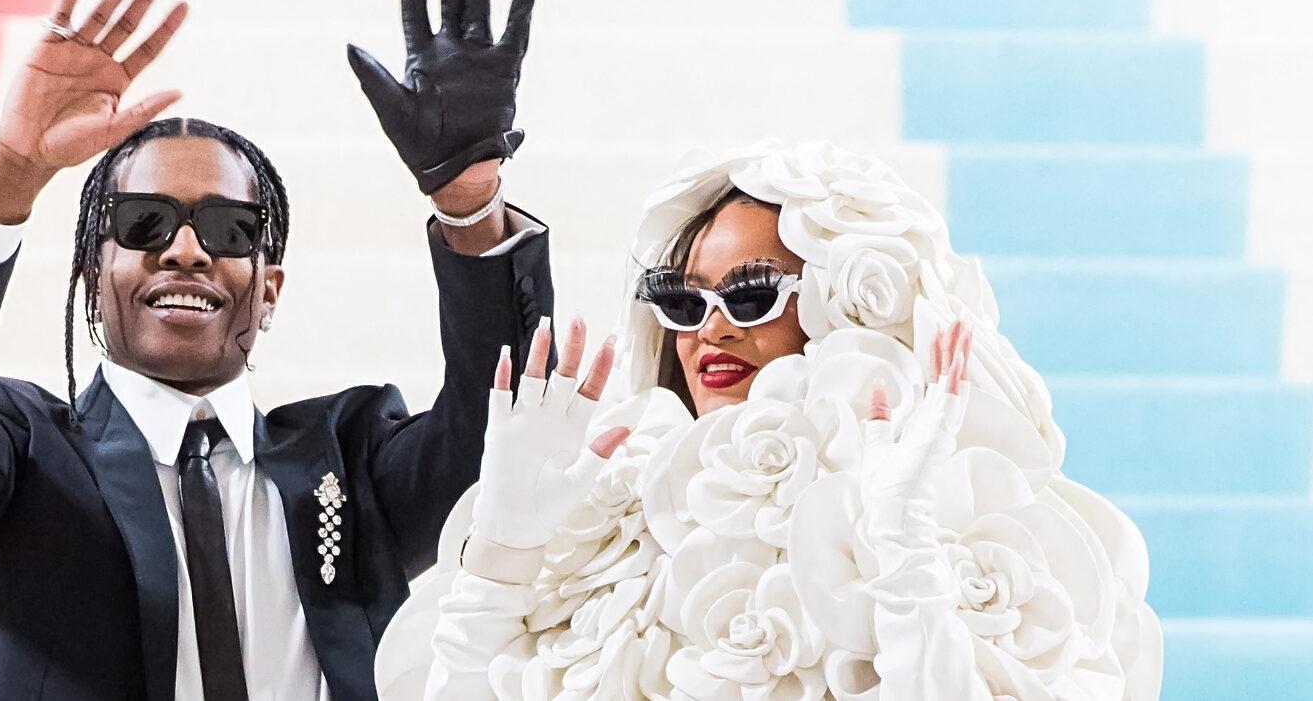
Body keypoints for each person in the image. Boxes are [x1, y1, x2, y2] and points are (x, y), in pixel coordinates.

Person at [0, 0, 552, 700]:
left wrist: (470, 205)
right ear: (93, 274)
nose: (185, 250)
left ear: (268, 289)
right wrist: (12, 175)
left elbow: (505, 433)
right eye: (144, 222)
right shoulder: (20, 462)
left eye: (227, 229)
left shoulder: (346, 462)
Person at [375, 141, 1164, 700]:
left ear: (840, 307)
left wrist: (904, 561)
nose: (709, 331)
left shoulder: (941, 521)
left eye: (749, 296)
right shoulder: (612, 517)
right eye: (683, 302)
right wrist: (501, 564)